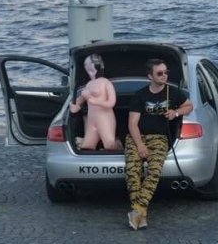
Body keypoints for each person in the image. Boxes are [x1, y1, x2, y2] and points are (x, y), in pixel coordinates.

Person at [125, 58, 193, 230]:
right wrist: (140, 145)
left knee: (154, 171)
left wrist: (176, 113)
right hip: (137, 137)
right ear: (150, 76)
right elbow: (132, 123)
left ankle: (138, 211)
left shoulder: (173, 92)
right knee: (132, 171)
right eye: (160, 73)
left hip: (159, 138)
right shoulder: (140, 95)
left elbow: (189, 106)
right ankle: (141, 214)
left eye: (166, 72)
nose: (164, 76)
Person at [70, 54, 121, 151]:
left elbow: (111, 103)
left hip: (104, 119)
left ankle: (118, 145)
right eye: (86, 66)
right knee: (87, 147)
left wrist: (97, 101)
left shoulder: (105, 82)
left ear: (97, 66)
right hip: (92, 120)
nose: (88, 68)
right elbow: (82, 98)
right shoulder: (88, 84)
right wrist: (76, 105)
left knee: (109, 145)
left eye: (91, 65)